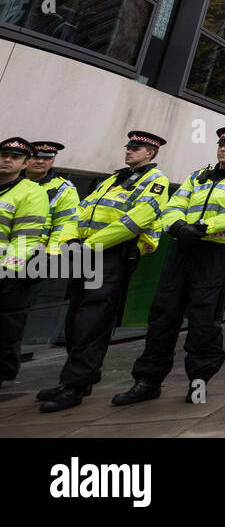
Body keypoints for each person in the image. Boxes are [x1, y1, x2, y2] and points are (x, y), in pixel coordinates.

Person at [113, 127, 225, 406]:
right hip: (182, 247)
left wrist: (205, 227)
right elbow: (174, 205)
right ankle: (147, 381)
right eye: (221, 144)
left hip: (214, 251)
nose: (224, 149)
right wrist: (179, 226)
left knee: (204, 318)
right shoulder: (198, 176)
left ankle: (199, 380)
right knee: (163, 314)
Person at [39, 131, 170, 413]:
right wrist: (71, 240)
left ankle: (75, 385)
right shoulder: (112, 179)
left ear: (151, 153)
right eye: (129, 147)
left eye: (136, 149)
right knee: (75, 319)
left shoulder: (155, 181)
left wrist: (90, 246)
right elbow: (79, 211)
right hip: (84, 251)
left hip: (111, 256)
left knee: (93, 322)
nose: (130, 152)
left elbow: (136, 221)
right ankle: (75, 380)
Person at [0, 138, 52, 388]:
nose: (7, 160)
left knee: (5, 329)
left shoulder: (32, 192)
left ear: (25, 163)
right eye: (3, 154)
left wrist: (7, 272)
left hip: (8, 274)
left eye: (14, 157)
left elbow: (25, 239)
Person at [24, 142, 79, 257]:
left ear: (53, 160)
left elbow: (65, 224)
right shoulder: (9, 180)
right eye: (36, 157)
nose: (40, 161)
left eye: (47, 158)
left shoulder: (64, 189)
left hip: (34, 253)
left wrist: (52, 254)